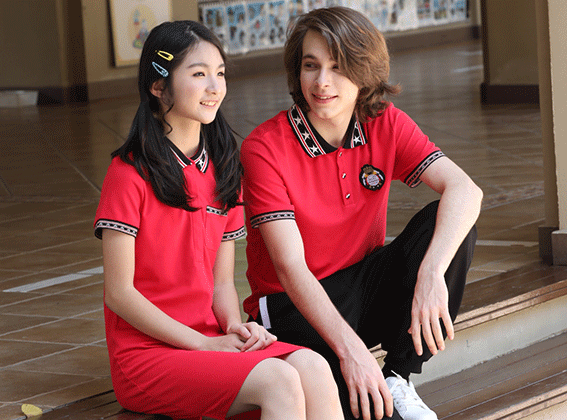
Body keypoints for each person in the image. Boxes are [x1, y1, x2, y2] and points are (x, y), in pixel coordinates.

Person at [94, 20, 344, 420]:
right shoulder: (127, 174)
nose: (215, 87)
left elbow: (222, 282)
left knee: (315, 368)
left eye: (220, 73)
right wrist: (201, 344)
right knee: (278, 380)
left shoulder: (224, 169)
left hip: (208, 338)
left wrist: (232, 327)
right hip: (146, 356)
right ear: (158, 86)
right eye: (199, 74)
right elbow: (119, 294)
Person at [241, 7, 482, 420]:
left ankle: (399, 375)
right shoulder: (265, 148)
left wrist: (430, 275)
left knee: (447, 224)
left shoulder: (384, 123)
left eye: (338, 67)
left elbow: (466, 190)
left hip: (361, 286)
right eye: (311, 66)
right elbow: (290, 268)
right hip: (293, 310)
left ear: (363, 72)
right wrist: (353, 352)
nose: (322, 82)